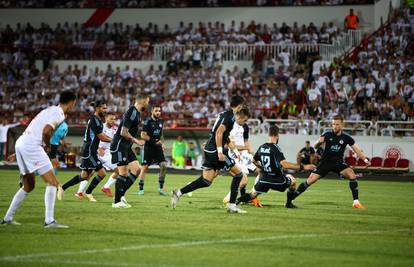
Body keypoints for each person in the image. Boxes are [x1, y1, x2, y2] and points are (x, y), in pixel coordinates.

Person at [1, 90, 77, 228]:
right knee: (53, 183)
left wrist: (20, 151)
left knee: (29, 186)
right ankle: (49, 221)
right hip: (32, 146)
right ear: (72, 103)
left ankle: (7, 218)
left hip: (22, 143)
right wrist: (47, 147)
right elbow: (46, 131)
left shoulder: (48, 110)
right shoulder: (59, 113)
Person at [171, 96, 250, 213]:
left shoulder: (226, 114)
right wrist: (219, 152)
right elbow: (219, 133)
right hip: (214, 150)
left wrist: (235, 151)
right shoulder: (229, 117)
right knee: (238, 175)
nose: (243, 108)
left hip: (210, 149)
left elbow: (224, 135)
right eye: (242, 105)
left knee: (206, 181)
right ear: (239, 106)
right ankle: (232, 206)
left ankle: (179, 193)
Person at [289, 115, 370, 209]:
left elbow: (357, 150)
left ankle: (356, 202)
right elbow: (315, 146)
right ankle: (291, 199)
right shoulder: (327, 134)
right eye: (333, 124)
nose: (335, 126)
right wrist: (319, 142)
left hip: (338, 163)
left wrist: (365, 160)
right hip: (325, 163)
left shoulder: (346, 137)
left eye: (337, 124)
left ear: (342, 124)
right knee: (310, 180)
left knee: (352, 174)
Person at [237, 125, 315, 208]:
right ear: (277, 136)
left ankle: (236, 201)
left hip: (264, 180)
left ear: (269, 135)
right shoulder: (276, 148)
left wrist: (262, 168)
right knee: (293, 181)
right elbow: (285, 165)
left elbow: (253, 161)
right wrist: (304, 167)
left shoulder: (262, 147)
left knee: (252, 195)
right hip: (277, 180)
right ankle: (288, 204)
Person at [61, 101, 112, 202]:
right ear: (97, 108)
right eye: (103, 108)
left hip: (91, 150)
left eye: (106, 108)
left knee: (87, 175)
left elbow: (102, 135)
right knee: (96, 174)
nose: (105, 110)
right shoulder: (94, 120)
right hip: (89, 151)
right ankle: (87, 192)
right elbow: (101, 136)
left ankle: (64, 188)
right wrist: (114, 140)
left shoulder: (98, 120)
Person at [110, 93, 149, 208]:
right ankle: (116, 202)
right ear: (142, 101)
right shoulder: (132, 112)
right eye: (147, 101)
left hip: (126, 146)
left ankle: (120, 195)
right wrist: (136, 141)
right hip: (119, 145)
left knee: (137, 170)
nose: (148, 104)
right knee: (123, 173)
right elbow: (123, 132)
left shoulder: (137, 113)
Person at [137, 105, 168, 196]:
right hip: (149, 148)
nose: (158, 112)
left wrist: (162, 143)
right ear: (152, 112)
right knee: (145, 167)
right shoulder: (147, 122)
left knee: (164, 166)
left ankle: (161, 188)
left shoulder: (161, 121)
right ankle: (141, 189)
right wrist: (154, 141)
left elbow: (161, 134)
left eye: (159, 111)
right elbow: (143, 135)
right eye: (156, 111)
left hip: (157, 148)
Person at [99, 113, 119, 197]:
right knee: (88, 173)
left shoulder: (115, 129)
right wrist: (98, 148)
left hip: (109, 153)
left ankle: (106, 187)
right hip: (100, 152)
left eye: (114, 119)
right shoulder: (101, 127)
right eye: (111, 119)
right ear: (106, 119)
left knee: (119, 170)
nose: (113, 121)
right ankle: (80, 191)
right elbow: (96, 138)